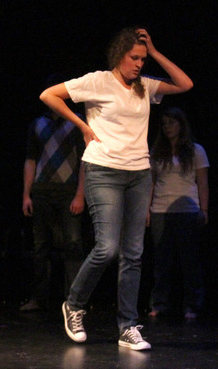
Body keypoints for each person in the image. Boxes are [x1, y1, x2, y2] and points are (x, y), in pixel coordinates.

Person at [40, 27, 193, 350]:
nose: (138, 64)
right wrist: (82, 125)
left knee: (133, 255)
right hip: (103, 171)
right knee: (107, 248)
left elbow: (185, 83)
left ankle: (127, 326)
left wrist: (154, 51)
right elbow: (48, 95)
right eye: (133, 57)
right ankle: (74, 304)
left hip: (139, 174)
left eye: (142, 59)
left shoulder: (145, 86)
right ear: (119, 55)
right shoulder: (97, 81)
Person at [21, 74, 85, 312]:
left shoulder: (78, 121)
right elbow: (30, 160)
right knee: (40, 246)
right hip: (42, 191)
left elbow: (84, 161)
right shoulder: (38, 124)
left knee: (73, 244)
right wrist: (26, 194)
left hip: (68, 191)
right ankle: (39, 298)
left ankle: (74, 300)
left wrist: (81, 194)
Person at [147, 107, 209, 320]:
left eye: (171, 123)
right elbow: (151, 184)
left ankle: (192, 304)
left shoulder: (196, 151)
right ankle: (159, 303)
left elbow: (202, 182)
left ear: (181, 125)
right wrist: (147, 209)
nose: (167, 128)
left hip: (187, 210)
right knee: (161, 261)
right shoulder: (157, 152)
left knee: (189, 260)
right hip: (160, 210)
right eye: (164, 124)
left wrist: (204, 209)